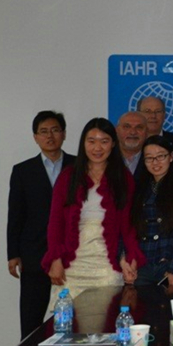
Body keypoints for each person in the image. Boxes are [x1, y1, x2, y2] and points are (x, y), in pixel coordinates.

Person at [42, 118, 145, 302]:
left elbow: (128, 226)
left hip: (107, 265)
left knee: (106, 317)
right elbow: (56, 222)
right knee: (67, 318)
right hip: (71, 266)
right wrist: (55, 259)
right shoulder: (68, 177)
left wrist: (131, 257)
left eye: (104, 141)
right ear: (83, 143)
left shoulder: (123, 178)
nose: (97, 148)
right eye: (91, 141)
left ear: (113, 144)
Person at [7, 111, 76, 339]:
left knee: (75, 321)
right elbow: (16, 214)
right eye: (43, 131)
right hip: (34, 254)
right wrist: (13, 253)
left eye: (55, 130)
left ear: (64, 134)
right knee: (31, 322)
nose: (50, 136)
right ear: (35, 137)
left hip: (71, 255)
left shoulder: (79, 166)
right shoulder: (23, 171)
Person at [130, 136, 173, 286]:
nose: (155, 162)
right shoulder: (139, 189)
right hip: (143, 265)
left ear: (171, 156)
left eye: (161, 156)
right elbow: (132, 229)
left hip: (172, 264)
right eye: (149, 158)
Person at [137, 96, 173, 171]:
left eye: (158, 111)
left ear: (164, 115)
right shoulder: (131, 143)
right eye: (147, 111)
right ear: (138, 114)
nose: (153, 116)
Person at [116, 111, 149, 178]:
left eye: (139, 127)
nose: (133, 132)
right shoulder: (106, 157)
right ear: (117, 130)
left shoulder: (155, 158)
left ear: (147, 132)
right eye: (127, 127)